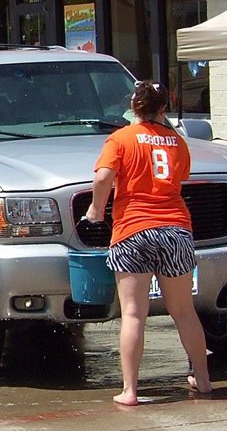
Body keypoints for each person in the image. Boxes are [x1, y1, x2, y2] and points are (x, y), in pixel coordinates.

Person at [84, 80, 212, 404]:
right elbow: (179, 180)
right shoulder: (177, 142)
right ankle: (204, 377)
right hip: (175, 228)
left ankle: (130, 390)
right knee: (184, 311)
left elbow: (102, 177)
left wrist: (97, 209)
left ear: (133, 106)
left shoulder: (121, 139)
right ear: (163, 109)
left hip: (133, 229)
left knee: (133, 314)